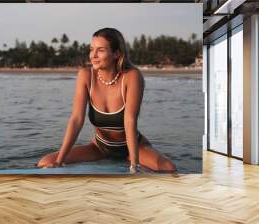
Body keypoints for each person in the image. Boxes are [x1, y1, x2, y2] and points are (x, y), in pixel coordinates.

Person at [37, 28, 176, 173]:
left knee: (169, 169)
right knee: (46, 162)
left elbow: (130, 121)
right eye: (92, 49)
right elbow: (76, 120)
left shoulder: (132, 76)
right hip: (99, 148)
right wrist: (59, 161)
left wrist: (135, 166)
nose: (93, 56)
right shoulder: (85, 76)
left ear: (116, 53)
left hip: (131, 148)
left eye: (101, 50)